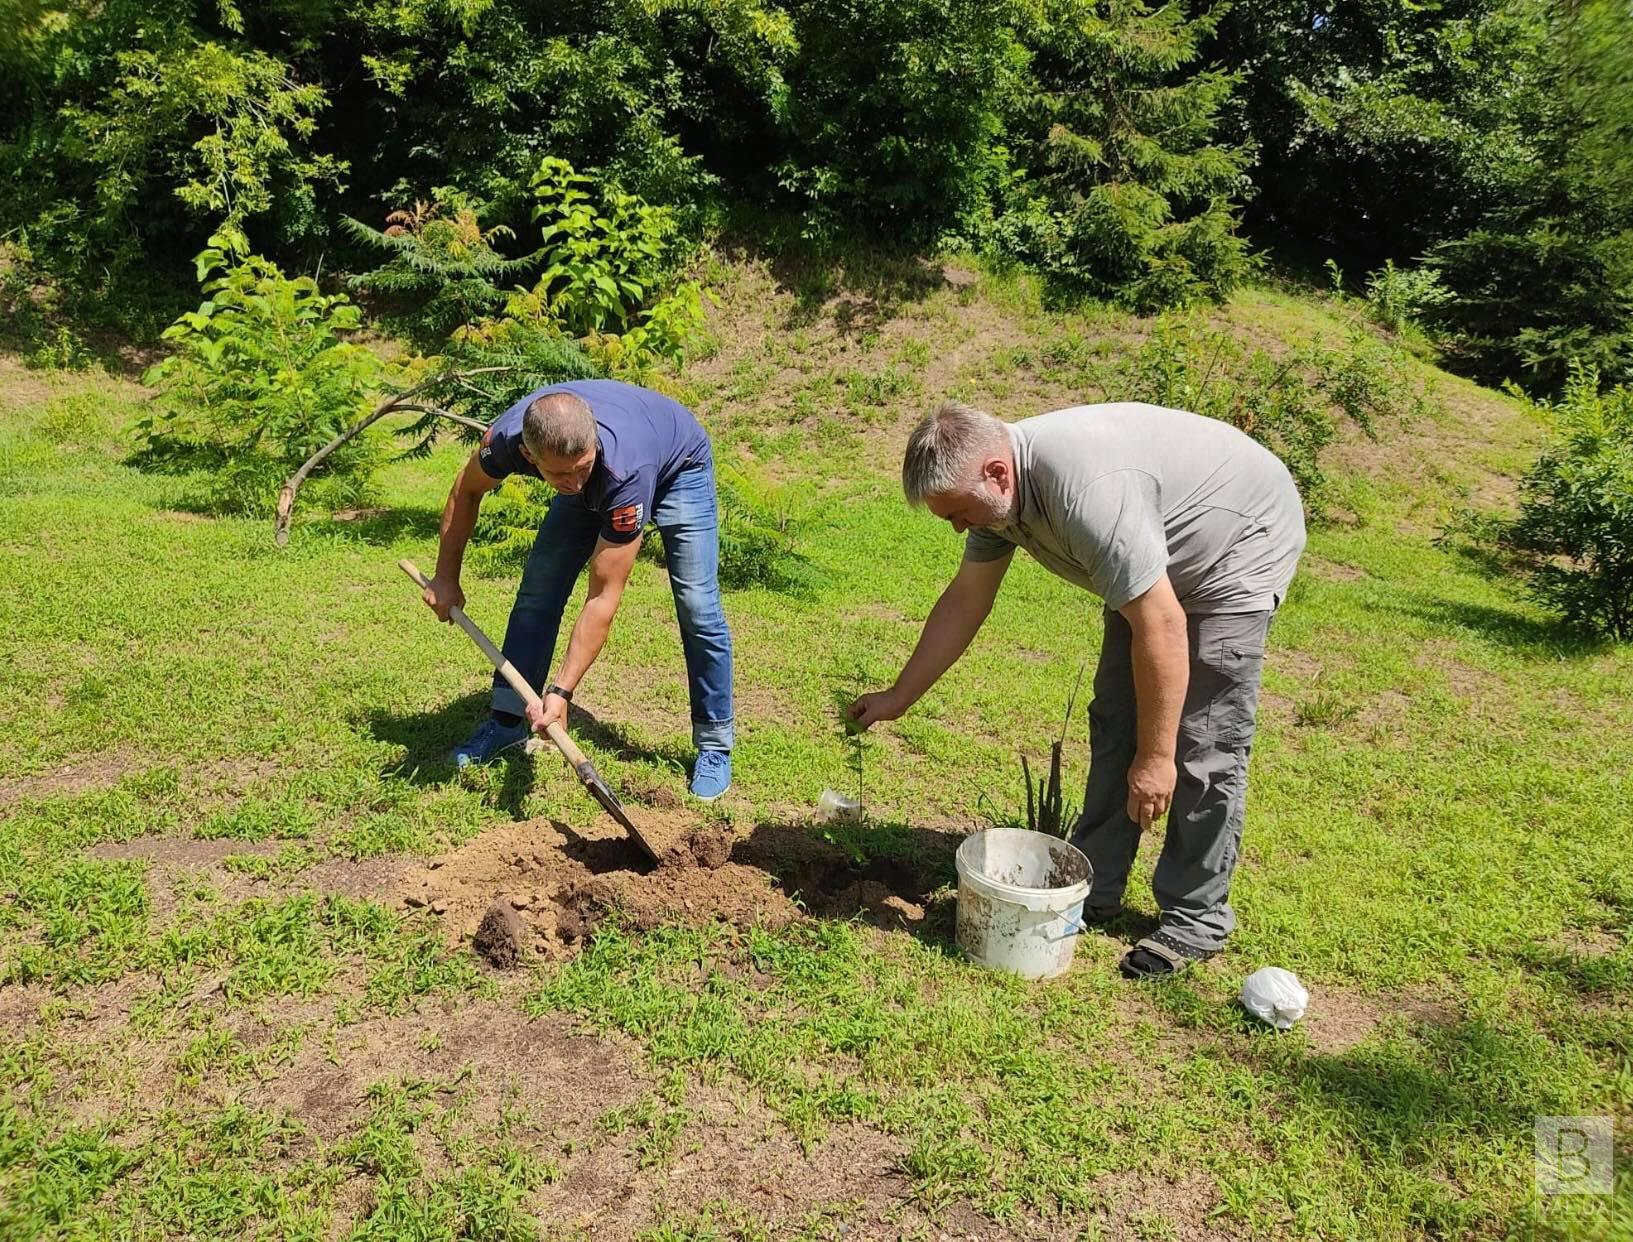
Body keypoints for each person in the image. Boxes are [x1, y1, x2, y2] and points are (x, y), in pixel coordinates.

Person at [849, 400, 1306, 978]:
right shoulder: (999, 500)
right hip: (1152, 560)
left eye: (960, 513)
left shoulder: (1086, 492)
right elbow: (967, 599)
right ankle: (1096, 887)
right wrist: (899, 695)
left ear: (996, 472)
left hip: (1235, 543)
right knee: (1118, 718)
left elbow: (1162, 624)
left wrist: (1158, 757)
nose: (960, 527)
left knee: (1200, 741)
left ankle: (1195, 918)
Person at [420, 379, 734, 800]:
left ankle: (714, 744)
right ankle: (506, 721)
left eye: (581, 467)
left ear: (593, 443)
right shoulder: (507, 441)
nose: (573, 483)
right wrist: (445, 576)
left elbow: (603, 596)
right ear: (530, 457)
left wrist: (562, 690)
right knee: (540, 585)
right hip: (611, 461)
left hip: (680, 464)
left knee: (697, 603)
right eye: (559, 475)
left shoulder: (620, 471)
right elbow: (467, 488)